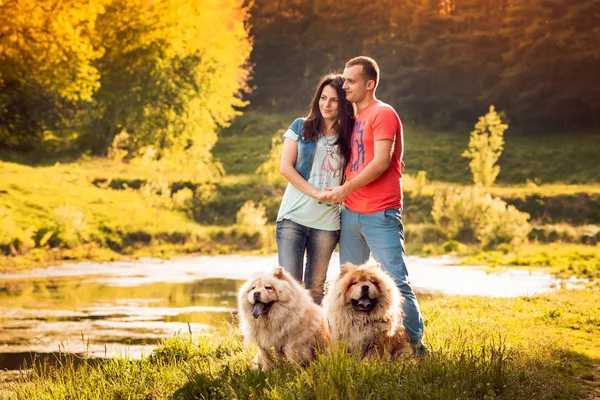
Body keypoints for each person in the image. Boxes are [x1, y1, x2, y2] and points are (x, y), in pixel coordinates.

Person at [327, 56, 427, 355]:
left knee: (397, 283)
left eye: (351, 80)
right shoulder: (354, 118)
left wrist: (345, 188)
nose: (344, 85)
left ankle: (416, 351)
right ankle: (353, 351)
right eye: (344, 79)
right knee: (349, 285)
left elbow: (382, 162)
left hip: (380, 212)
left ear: (369, 84)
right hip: (351, 214)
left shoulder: (383, 113)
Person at [276, 73, 354, 305]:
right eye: (322, 98)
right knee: (288, 287)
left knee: (316, 289)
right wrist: (316, 193)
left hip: (327, 223)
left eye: (333, 100)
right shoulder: (300, 127)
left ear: (344, 103)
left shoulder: (350, 136)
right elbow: (285, 168)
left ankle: (314, 341)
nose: (326, 104)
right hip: (293, 217)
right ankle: (286, 341)